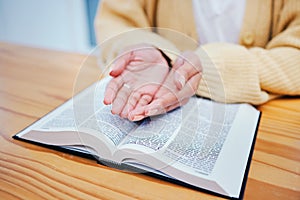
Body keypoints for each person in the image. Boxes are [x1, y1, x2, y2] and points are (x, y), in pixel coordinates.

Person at [94, 0, 300, 121]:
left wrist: (206, 68)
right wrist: (156, 52)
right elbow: (115, 22)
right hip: (168, 103)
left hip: (270, 121)